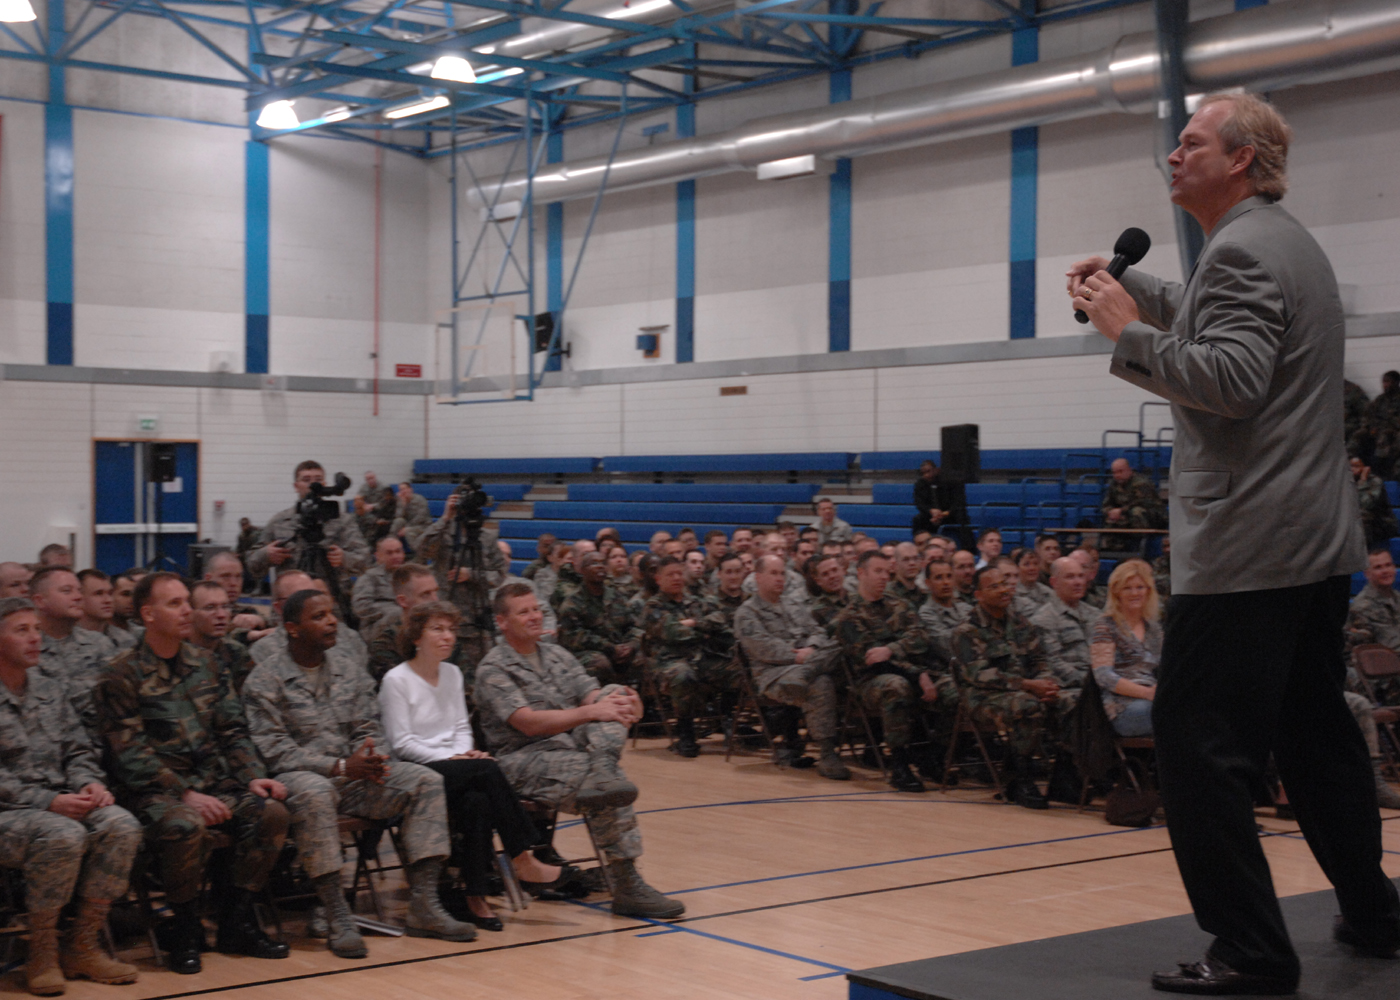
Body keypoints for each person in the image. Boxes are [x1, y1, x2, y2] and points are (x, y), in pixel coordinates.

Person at [1069, 90, 1398, 992]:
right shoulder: (1275, 242)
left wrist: (1124, 332)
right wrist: (1134, 286)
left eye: (1190, 143)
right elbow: (1220, 317)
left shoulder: (1244, 248)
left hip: (1251, 544)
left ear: (1241, 159)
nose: (1173, 157)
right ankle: (1375, 914)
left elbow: (1234, 379)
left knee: (1196, 739)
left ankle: (1251, 952)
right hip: (1310, 540)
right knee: (1316, 734)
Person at [241, 590, 476, 954]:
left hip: (354, 774)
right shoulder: (265, 680)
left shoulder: (347, 668)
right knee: (316, 792)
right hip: (300, 777)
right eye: (318, 616)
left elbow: (369, 724)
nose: (332, 621)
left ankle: (424, 905)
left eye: (332, 613)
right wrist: (338, 766)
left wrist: (373, 756)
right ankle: (337, 913)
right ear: (292, 628)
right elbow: (275, 750)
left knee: (426, 780)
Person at [94, 572, 290, 974]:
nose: (186, 610)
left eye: (187, 601)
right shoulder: (121, 674)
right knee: (185, 825)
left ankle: (235, 920)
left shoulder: (208, 664)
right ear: (148, 614)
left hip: (212, 783)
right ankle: (184, 929)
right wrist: (184, 794)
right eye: (175, 603)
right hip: (152, 792)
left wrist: (252, 774)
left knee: (271, 812)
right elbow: (129, 755)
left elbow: (232, 729)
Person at [474, 583, 684, 919]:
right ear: (502, 621)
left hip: (573, 749)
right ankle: (626, 883)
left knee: (612, 692)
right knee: (604, 782)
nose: (534, 616)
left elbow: (590, 695)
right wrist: (591, 712)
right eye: (523, 611)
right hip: (522, 760)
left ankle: (603, 768)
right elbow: (527, 723)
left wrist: (625, 702)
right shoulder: (493, 668)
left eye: (536, 609)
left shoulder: (556, 654)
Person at [379, 601, 580, 930]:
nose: (448, 637)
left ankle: (476, 897)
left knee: (479, 800)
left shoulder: (453, 674)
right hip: (415, 773)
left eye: (452, 630)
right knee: (487, 770)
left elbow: (461, 728)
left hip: (456, 767)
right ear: (416, 636)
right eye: (438, 629)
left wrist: (464, 754)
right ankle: (522, 859)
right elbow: (402, 744)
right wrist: (450, 759)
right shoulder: (396, 680)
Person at [0, 598, 143, 995]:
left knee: (120, 824)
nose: (35, 638)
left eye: (35, 629)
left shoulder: (49, 688)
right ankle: (41, 950)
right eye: (21, 630)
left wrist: (87, 783)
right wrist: (46, 802)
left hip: (57, 804)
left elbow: (78, 748)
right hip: (11, 812)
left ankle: (82, 943)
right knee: (63, 834)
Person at [734, 554, 849, 779]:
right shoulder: (747, 612)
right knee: (823, 680)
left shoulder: (793, 604)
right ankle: (827, 754)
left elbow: (818, 632)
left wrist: (812, 650)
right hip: (775, 675)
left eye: (782, 573)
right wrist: (798, 657)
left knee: (841, 647)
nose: (780, 578)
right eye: (773, 573)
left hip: (802, 671)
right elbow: (763, 648)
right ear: (758, 577)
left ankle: (811, 669)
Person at [831, 550, 936, 792]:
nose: (883, 577)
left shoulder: (899, 604)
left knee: (952, 686)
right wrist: (916, 673)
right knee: (896, 686)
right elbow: (873, 661)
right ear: (860, 573)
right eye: (877, 571)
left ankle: (933, 755)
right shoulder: (848, 618)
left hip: (916, 670)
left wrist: (892, 648)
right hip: (869, 681)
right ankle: (900, 765)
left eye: (886, 572)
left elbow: (921, 638)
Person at [640, 557, 734, 758]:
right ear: (658, 579)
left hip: (700, 658)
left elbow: (720, 619)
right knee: (684, 676)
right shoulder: (653, 607)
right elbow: (675, 633)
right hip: (668, 663)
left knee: (735, 669)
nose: (676, 578)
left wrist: (692, 623)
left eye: (679, 573)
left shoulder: (696, 600)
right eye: (670, 574)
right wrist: (704, 629)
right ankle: (686, 732)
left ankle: (729, 723)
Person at [247, 460, 370, 585]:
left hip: (331, 598)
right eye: (306, 480)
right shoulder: (280, 521)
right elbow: (251, 564)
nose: (312, 484)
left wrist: (344, 558)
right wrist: (266, 555)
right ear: (296, 486)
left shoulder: (342, 520)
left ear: (324, 483)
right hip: (291, 597)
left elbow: (366, 560)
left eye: (318, 479)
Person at [30, 567, 116, 739]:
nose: (78, 597)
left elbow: (115, 704)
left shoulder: (99, 645)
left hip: (97, 747)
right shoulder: (26, 647)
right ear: (40, 601)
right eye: (66, 591)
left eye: (79, 591)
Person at [1089, 560, 1162, 738]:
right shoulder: (1105, 626)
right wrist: (1147, 693)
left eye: (1140, 587)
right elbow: (1103, 676)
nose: (1135, 593)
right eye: (1127, 588)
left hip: (1154, 698)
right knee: (1168, 714)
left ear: (1148, 591)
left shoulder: (1154, 629)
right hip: (1123, 706)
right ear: (1116, 592)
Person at [556, 551, 639, 686]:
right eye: (594, 563)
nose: (600, 567)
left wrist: (631, 645)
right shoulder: (573, 602)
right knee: (600, 663)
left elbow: (633, 626)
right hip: (586, 653)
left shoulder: (617, 596)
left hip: (618, 649)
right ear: (582, 570)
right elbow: (574, 637)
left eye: (603, 563)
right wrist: (609, 647)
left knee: (642, 658)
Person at [1028, 556, 1095, 713]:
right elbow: (1053, 662)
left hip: (1098, 681)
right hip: (1069, 685)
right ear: (1054, 583)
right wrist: (1090, 681)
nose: (1078, 582)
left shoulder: (1096, 615)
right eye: (1070, 577)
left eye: (1080, 576)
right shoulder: (1043, 619)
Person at [187, 580, 257, 695]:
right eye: (210, 607)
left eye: (225, 606)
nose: (221, 615)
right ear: (190, 613)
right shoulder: (175, 652)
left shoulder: (236, 652)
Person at [1101, 459, 1167, 550]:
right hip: (1125, 515)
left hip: (1152, 516)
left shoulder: (1141, 483)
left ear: (1129, 470)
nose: (1117, 475)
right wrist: (1110, 512)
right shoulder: (1114, 484)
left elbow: (1143, 502)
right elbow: (1106, 504)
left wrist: (1121, 511)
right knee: (1109, 517)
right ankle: (1114, 547)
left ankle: (1139, 545)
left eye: (1120, 471)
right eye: (1114, 472)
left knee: (1137, 511)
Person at [918, 559, 969, 676]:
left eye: (949, 576)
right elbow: (947, 647)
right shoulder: (926, 613)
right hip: (946, 673)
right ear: (928, 583)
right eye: (939, 578)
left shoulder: (966, 608)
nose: (945, 582)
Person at [351, 535, 407, 638]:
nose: (395, 556)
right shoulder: (369, 578)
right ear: (378, 556)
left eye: (398, 552)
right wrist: (391, 612)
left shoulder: (409, 576)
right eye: (389, 553)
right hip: (376, 629)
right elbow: (361, 607)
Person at [75, 569, 137, 651]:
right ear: (79, 597)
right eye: (98, 593)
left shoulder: (126, 640)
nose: (108, 600)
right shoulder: (65, 637)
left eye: (110, 593)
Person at [1350, 455, 1397, 550]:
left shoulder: (1375, 481)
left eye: (1356, 466)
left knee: (1362, 520)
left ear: (1365, 468)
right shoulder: (1346, 482)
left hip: (1380, 523)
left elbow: (1365, 504)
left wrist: (1362, 481)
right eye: (1350, 466)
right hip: (1359, 521)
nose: (1353, 469)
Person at [807, 554, 850, 629]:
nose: (832, 576)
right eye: (825, 574)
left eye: (835, 570)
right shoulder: (818, 610)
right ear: (818, 581)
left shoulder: (857, 596)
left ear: (843, 571)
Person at [1011, 548, 1053, 617]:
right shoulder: (1013, 592)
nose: (1032, 568)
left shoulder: (1047, 591)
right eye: (1026, 564)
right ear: (1017, 568)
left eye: (1035, 564)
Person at [392, 482, 433, 549]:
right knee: (398, 521)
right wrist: (403, 505)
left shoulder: (420, 499)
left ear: (410, 489)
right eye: (400, 490)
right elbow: (398, 517)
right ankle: (391, 546)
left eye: (404, 489)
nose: (403, 491)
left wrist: (406, 528)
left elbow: (421, 517)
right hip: (409, 525)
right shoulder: (401, 501)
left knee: (408, 532)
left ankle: (419, 553)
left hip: (423, 526)